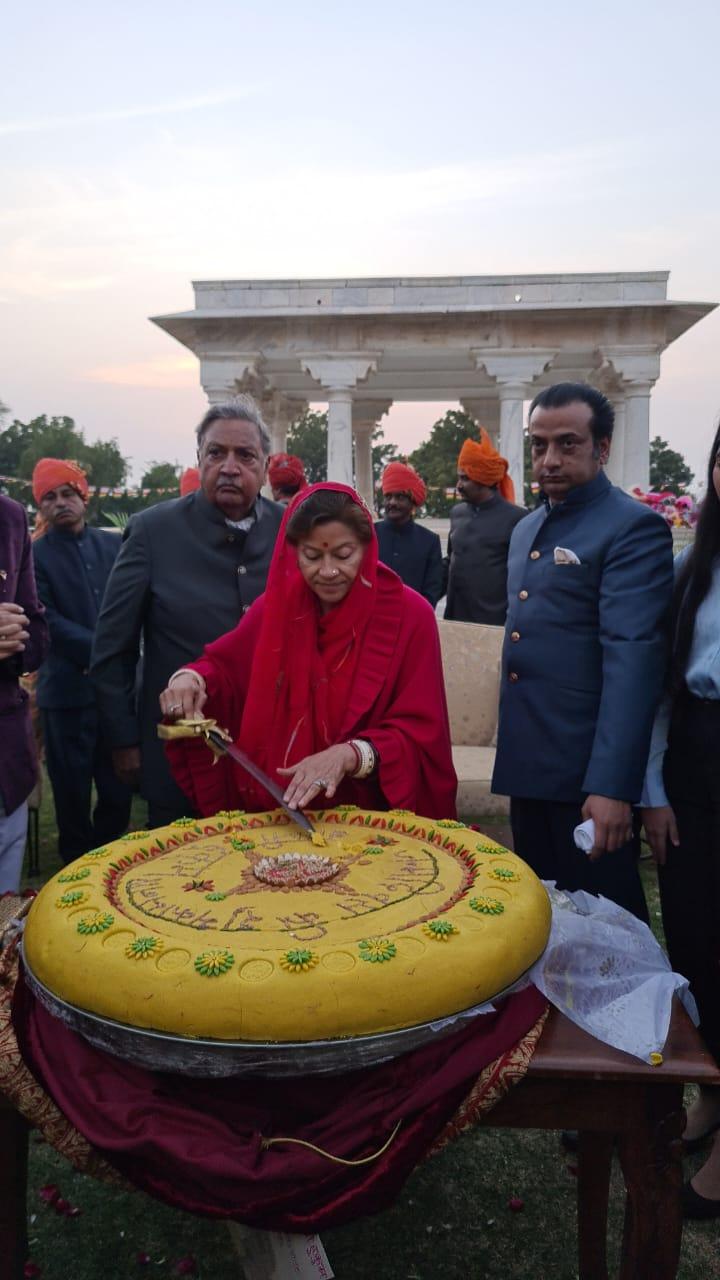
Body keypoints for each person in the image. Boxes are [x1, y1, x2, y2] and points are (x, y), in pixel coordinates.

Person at [160, 483, 457, 820]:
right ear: (293, 552)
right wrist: (190, 680)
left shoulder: (410, 616)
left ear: (367, 547)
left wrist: (349, 755)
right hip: (282, 813)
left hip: (373, 820)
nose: (328, 571)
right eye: (312, 556)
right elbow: (224, 669)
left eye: (344, 555)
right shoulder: (277, 610)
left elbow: (420, 733)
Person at [491, 382, 673, 919]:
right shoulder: (527, 528)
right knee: (545, 920)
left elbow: (633, 662)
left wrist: (614, 787)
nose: (549, 460)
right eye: (538, 445)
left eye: (567, 444)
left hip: (587, 775)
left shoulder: (631, 527)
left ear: (602, 447)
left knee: (609, 929)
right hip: (530, 764)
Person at [91, 397, 284, 826]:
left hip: (271, 754)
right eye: (216, 453)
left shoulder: (291, 531)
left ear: (266, 466)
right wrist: (124, 741)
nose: (230, 466)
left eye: (245, 455)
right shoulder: (152, 531)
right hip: (178, 753)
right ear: (199, 458)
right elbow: (112, 648)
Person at [641, 423, 720, 1217]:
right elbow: (663, 692)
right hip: (696, 761)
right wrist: (653, 790)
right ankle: (712, 1092)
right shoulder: (690, 569)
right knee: (695, 936)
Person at [31, 458, 132, 862]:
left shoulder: (112, 544)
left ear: (83, 498)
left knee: (118, 789)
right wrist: (104, 653)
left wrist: (114, 661)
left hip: (113, 697)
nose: (61, 503)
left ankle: (107, 864)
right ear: (41, 506)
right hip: (66, 695)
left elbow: (130, 604)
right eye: (50, 497)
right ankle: (74, 870)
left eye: (68, 494)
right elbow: (45, 618)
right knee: (71, 792)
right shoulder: (33, 555)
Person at [0, 494, 48, 892]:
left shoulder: (10, 516)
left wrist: (16, 640)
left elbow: (37, 633)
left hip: (7, 767)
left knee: (4, 917)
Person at [443, 429, 525, 625]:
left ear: (483, 479)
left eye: (465, 478)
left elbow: (524, 577)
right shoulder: (457, 513)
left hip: (496, 624)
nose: (458, 485)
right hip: (456, 620)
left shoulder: (517, 519)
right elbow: (451, 561)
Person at [375, 462, 443, 608]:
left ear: (412, 502)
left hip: (413, 622)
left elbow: (432, 591)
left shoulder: (429, 541)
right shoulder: (369, 535)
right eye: (388, 496)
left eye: (400, 497)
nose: (392, 502)